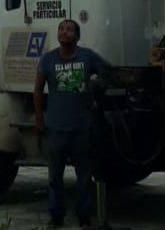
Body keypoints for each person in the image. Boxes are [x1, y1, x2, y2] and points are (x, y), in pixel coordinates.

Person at [33, 18, 108, 228]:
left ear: (77, 36)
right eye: (61, 29)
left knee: (84, 176)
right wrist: (39, 118)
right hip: (56, 128)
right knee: (54, 177)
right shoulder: (48, 60)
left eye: (69, 30)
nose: (64, 32)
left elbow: (107, 74)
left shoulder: (87, 56)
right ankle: (56, 216)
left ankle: (84, 216)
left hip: (81, 128)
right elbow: (38, 90)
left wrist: (95, 90)